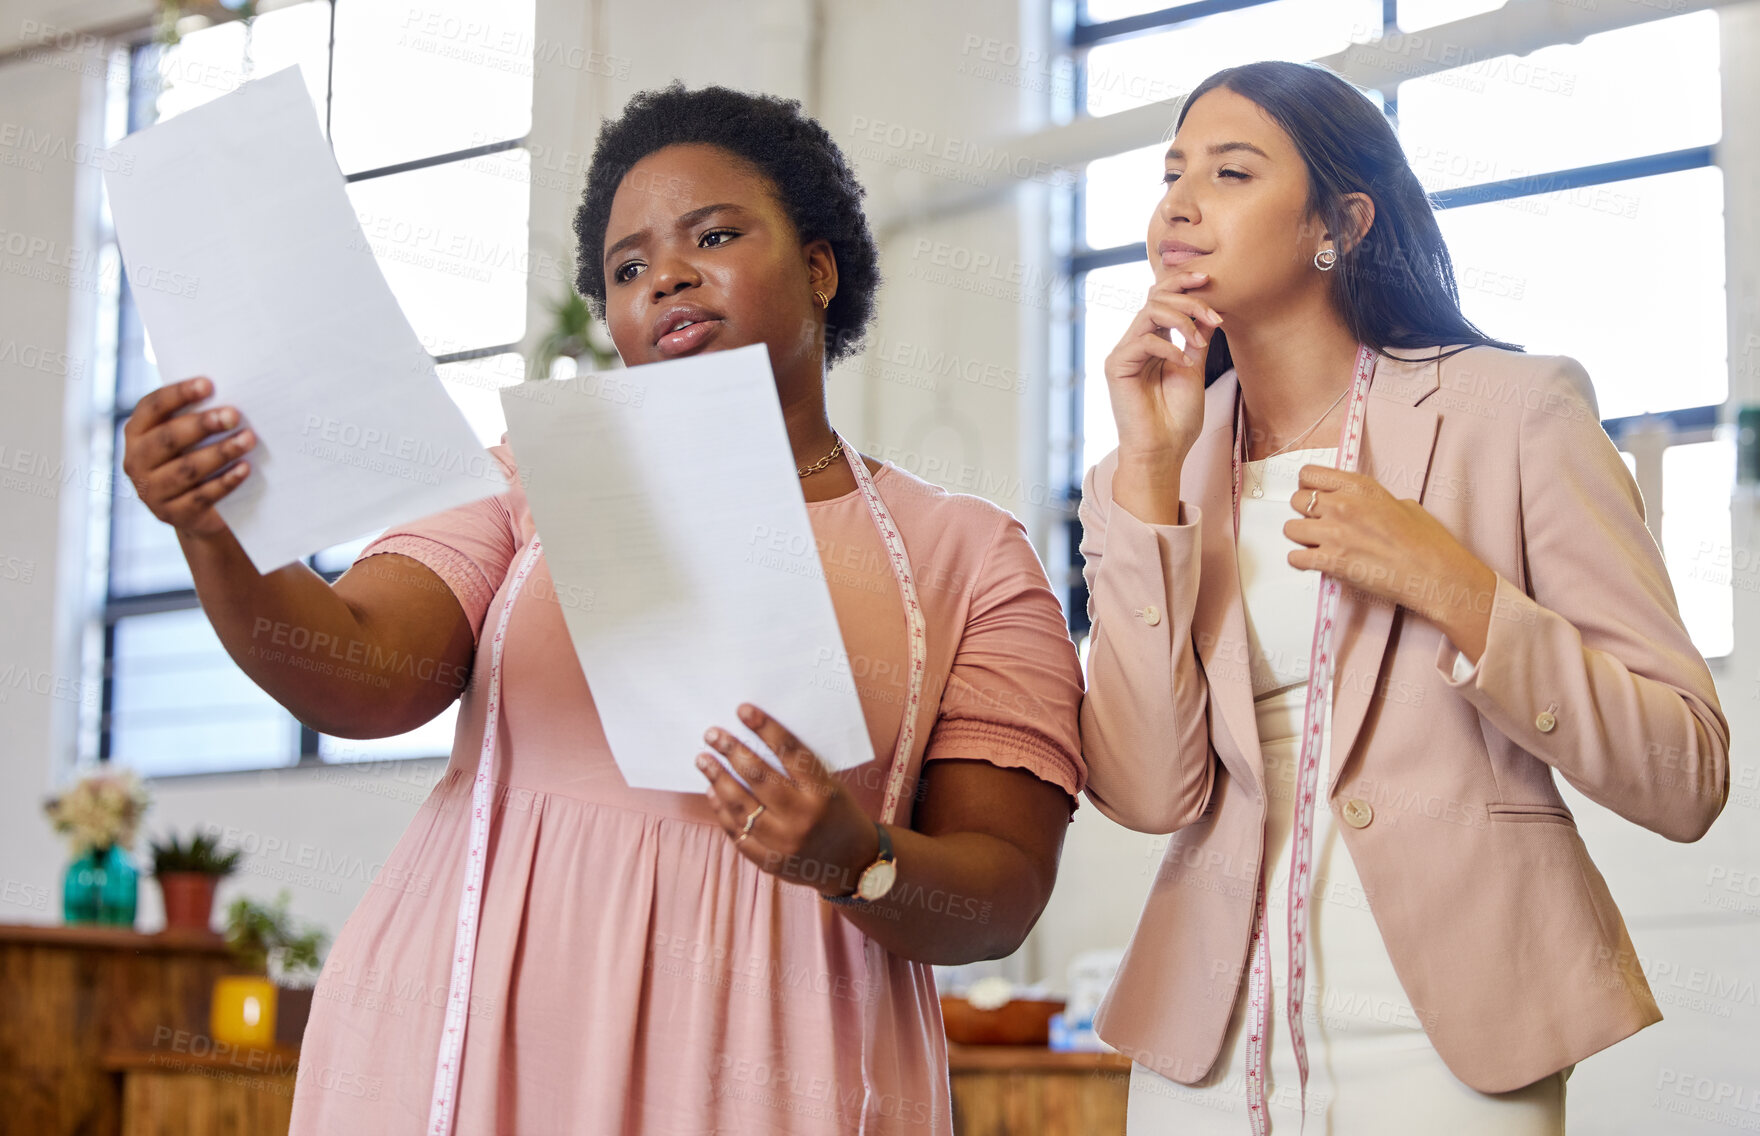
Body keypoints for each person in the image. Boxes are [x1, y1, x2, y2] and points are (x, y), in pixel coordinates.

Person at [121, 84, 1086, 1134]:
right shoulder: (526, 482)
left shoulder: (968, 554)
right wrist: (212, 529)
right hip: (472, 1028)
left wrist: (857, 859)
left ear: (819, 269)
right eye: (627, 266)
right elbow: (359, 674)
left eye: (712, 235)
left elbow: (1003, 890)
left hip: (771, 1069)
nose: (664, 274)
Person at [1077, 61, 1729, 1134]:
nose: (1178, 207)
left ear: (1341, 221)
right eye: (1170, 175)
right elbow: (1148, 793)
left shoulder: (1512, 411)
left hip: (1449, 1041)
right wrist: (1149, 480)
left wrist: (1454, 584)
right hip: (1206, 1047)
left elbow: (1685, 772)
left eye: (1231, 173)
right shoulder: (1142, 471)